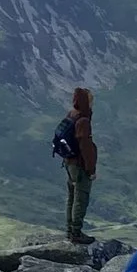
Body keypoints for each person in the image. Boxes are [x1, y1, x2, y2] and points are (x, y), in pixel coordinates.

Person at [51, 86, 98, 244]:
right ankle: (76, 232)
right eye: (91, 101)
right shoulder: (83, 121)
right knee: (81, 198)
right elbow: (85, 146)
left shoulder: (72, 115)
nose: (92, 104)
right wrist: (90, 169)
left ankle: (69, 230)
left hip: (69, 163)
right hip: (79, 165)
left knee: (72, 196)